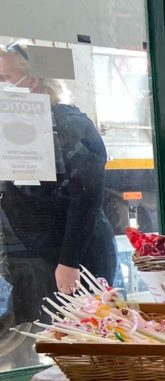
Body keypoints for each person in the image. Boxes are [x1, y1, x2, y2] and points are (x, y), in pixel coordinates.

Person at [0, 42, 115, 325]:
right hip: (34, 253)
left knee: (81, 330)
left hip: (74, 254)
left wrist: (69, 261)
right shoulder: (16, 126)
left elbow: (86, 199)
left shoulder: (71, 125)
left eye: (5, 78)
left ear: (33, 81)